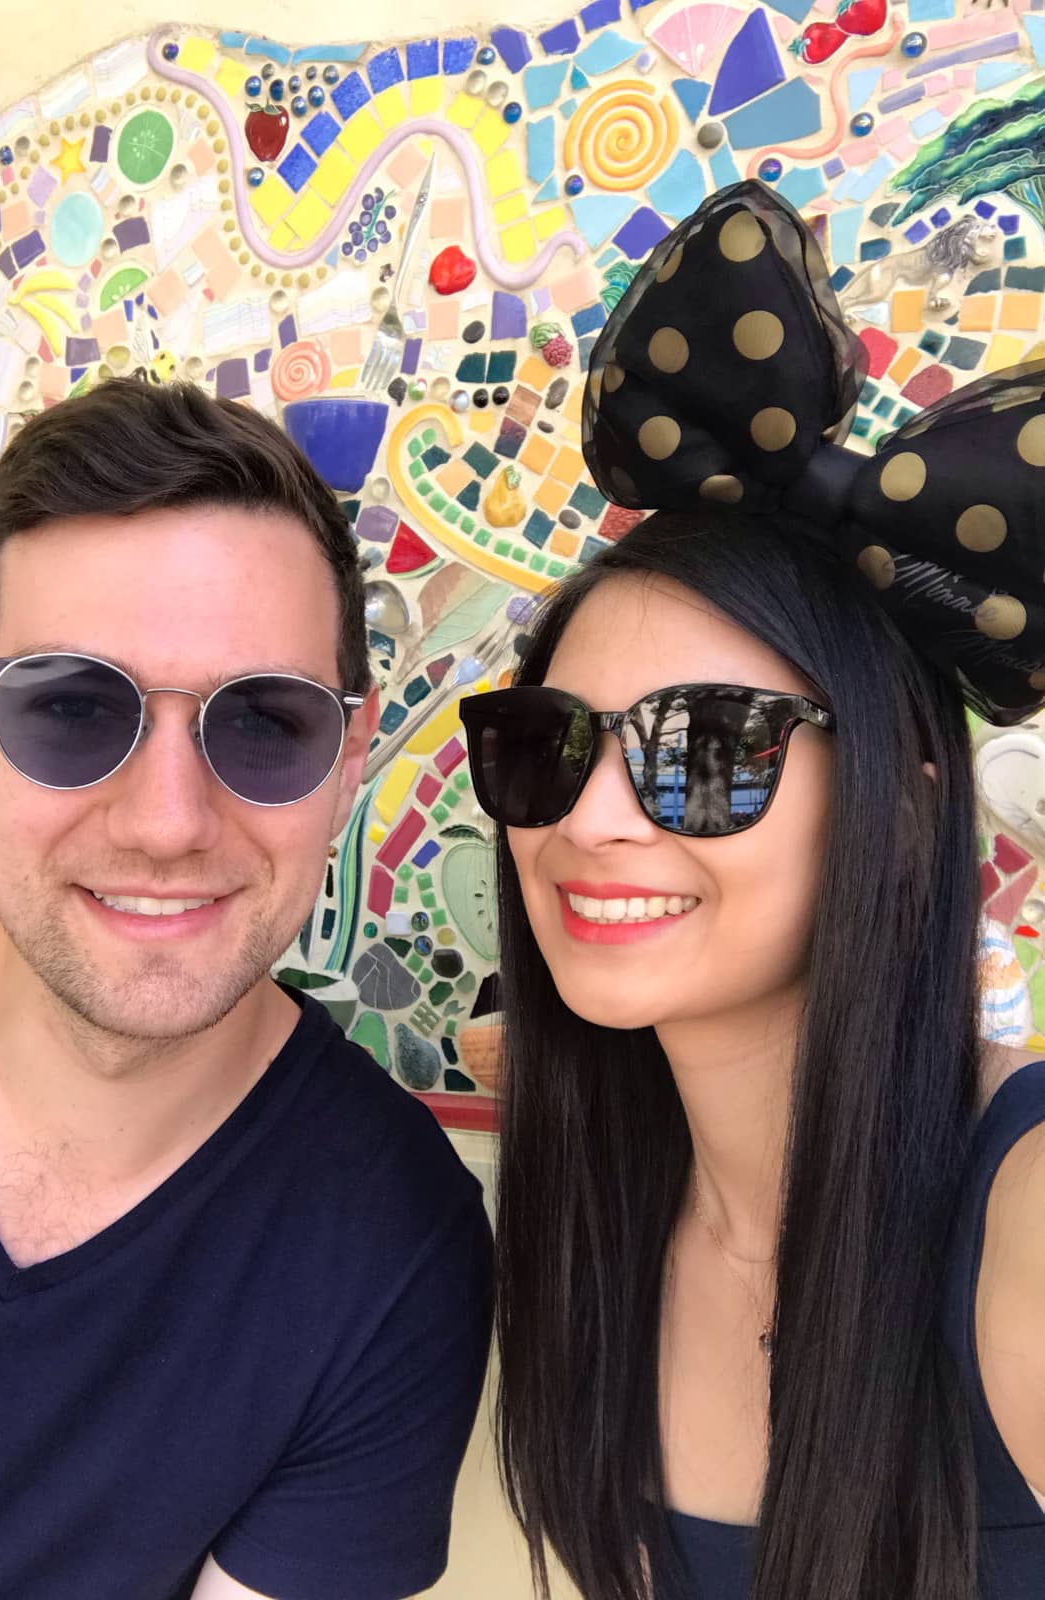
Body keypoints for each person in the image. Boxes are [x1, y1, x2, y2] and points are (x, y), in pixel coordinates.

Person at [459, 182, 1045, 1600]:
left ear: (904, 806)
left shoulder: (1023, 1213)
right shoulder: (592, 1201)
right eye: (548, 746)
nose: (590, 823)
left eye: (706, 748)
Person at [0, 379, 493, 1600]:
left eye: (262, 724)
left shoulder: (388, 1247)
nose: (166, 824)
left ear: (349, 758)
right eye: (72, 710)